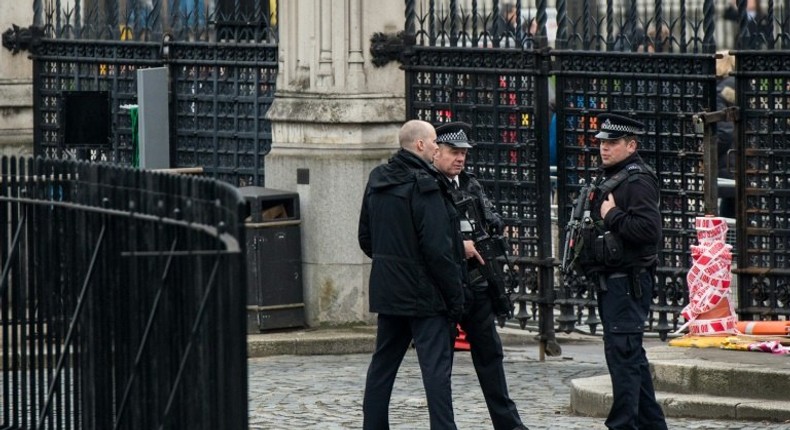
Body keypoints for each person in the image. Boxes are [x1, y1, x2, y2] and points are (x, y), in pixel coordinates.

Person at [358, 119, 466, 430]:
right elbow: (438, 250)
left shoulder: (378, 179)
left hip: (388, 289)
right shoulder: (426, 184)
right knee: (435, 370)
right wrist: (455, 298)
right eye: (433, 142)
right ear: (420, 145)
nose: (436, 147)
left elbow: (366, 238)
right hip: (424, 294)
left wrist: (392, 264)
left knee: (383, 365)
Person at [571, 113, 668, 430]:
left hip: (627, 283)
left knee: (624, 358)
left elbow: (648, 231)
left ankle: (622, 425)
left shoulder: (637, 180)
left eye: (612, 143)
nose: (604, 148)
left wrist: (611, 215)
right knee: (630, 358)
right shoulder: (615, 175)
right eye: (602, 142)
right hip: (613, 283)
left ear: (631, 145)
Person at [431, 122, 529, 430]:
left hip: (479, 282)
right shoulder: (429, 185)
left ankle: (509, 424)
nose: (459, 159)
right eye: (453, 152)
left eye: (463, 153)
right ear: (437, 152)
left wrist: (493, 226)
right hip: (445, 286)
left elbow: (490, 217)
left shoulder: (470, 184)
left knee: (490, 355)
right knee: (438, 362)